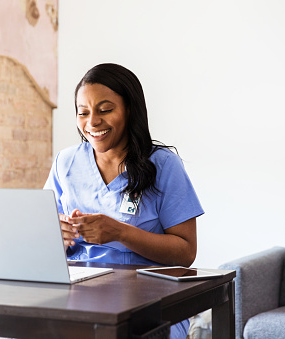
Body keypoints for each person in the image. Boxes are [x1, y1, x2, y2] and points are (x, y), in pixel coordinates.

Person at [44, 63, 204, 339]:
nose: (92, 122)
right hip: (78, 293)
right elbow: (43, 237)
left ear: (129, 110)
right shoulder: (66, 162)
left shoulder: (163, 165)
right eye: (83, 112)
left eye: (105, 110)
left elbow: (186, 252)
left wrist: (120, 232)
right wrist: (58, 234)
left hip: (150, 299)